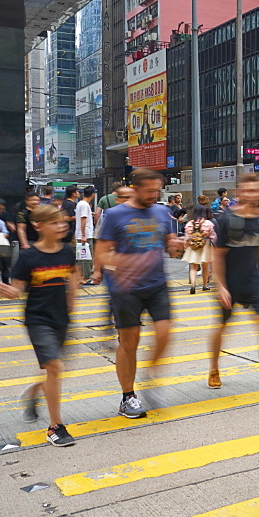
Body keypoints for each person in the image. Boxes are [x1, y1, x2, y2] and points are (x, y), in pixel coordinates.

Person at [96, 168, 185, 418]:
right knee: (129, 343)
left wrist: (177, 245)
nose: (154, 194)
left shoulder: (160, 211)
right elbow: (102, 254)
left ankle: (151, 374)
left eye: (157, 190)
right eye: (149, 190)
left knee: (165, 334)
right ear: (135, 189)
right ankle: (128, 397)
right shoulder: (114, 215)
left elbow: (170, 246)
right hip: (126, 289)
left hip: (157, 284)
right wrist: (126, 264)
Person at [0, 205, 80, 446]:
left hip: (62, 320)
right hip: (38, 320)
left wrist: (72, 303)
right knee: (55, 367)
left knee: (55, 371)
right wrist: (2, 289)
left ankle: (34, 393)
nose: (62, 226)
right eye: (55, 222)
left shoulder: (66, 251)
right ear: (38, 226)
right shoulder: (29, 256)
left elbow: (73, 275)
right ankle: (55, 428)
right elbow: (16, 290)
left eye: (63, 222)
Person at [211, 173, 259, 398]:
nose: (252, 194)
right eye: (248, 190)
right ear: (238, 193)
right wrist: (220, 286)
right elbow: (218, 256)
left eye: (257, 190)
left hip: (253, 284)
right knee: (221, 329)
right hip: (229, 285)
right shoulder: (226, 220)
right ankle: (214, 368)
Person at [182, 205, 216, 294]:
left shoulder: (190, 223)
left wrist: (185, 246)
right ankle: (205, 285)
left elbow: (187, 237)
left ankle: (193, 285)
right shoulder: (207, 223)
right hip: (205, 246)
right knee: (205, 267)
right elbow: (213, 236)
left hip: (193, 247)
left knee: (193, 267)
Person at [75, 186, 97, 285]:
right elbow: (83, 219)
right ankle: (86, 278)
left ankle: (81, 277)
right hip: (85, 235)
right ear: (93, 195)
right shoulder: (84, 205)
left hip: (81, 234)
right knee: (87, 257)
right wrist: (84, 235)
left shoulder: (81, 203)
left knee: (81, 256)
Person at [0, 198, 12, 284]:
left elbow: (6, 232)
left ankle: (4, 283)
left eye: (2, 209)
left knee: (2, 264)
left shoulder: (1, 219)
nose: (0, 210)